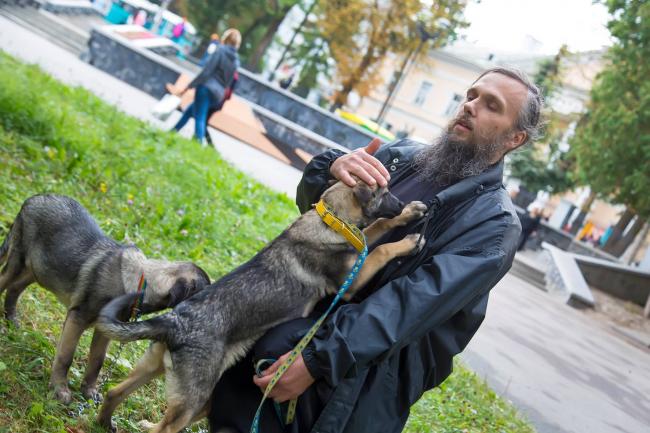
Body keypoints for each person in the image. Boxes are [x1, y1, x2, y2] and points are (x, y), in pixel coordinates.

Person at [208, 67, 543, 433]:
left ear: (515, 138)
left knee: (277, 347)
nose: (470, 106)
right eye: (471, 95)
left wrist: (318, 359)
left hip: (370, 368)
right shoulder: (402, 156)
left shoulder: (494, 226)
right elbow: (314, 215)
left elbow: (410, 305)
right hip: (317, 306)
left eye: (492, 105)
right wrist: (331, 169)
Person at [166, 28, 241, 145]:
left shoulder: (220, 51)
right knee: (189, 111)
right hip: (218, 94)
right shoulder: (236, 61)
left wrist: (190, 85)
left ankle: (198, 144)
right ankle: (171, 133)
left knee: (200, 118)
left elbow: (207, 71)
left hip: (206, 88)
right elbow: (229, 82)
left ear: (225, 38)